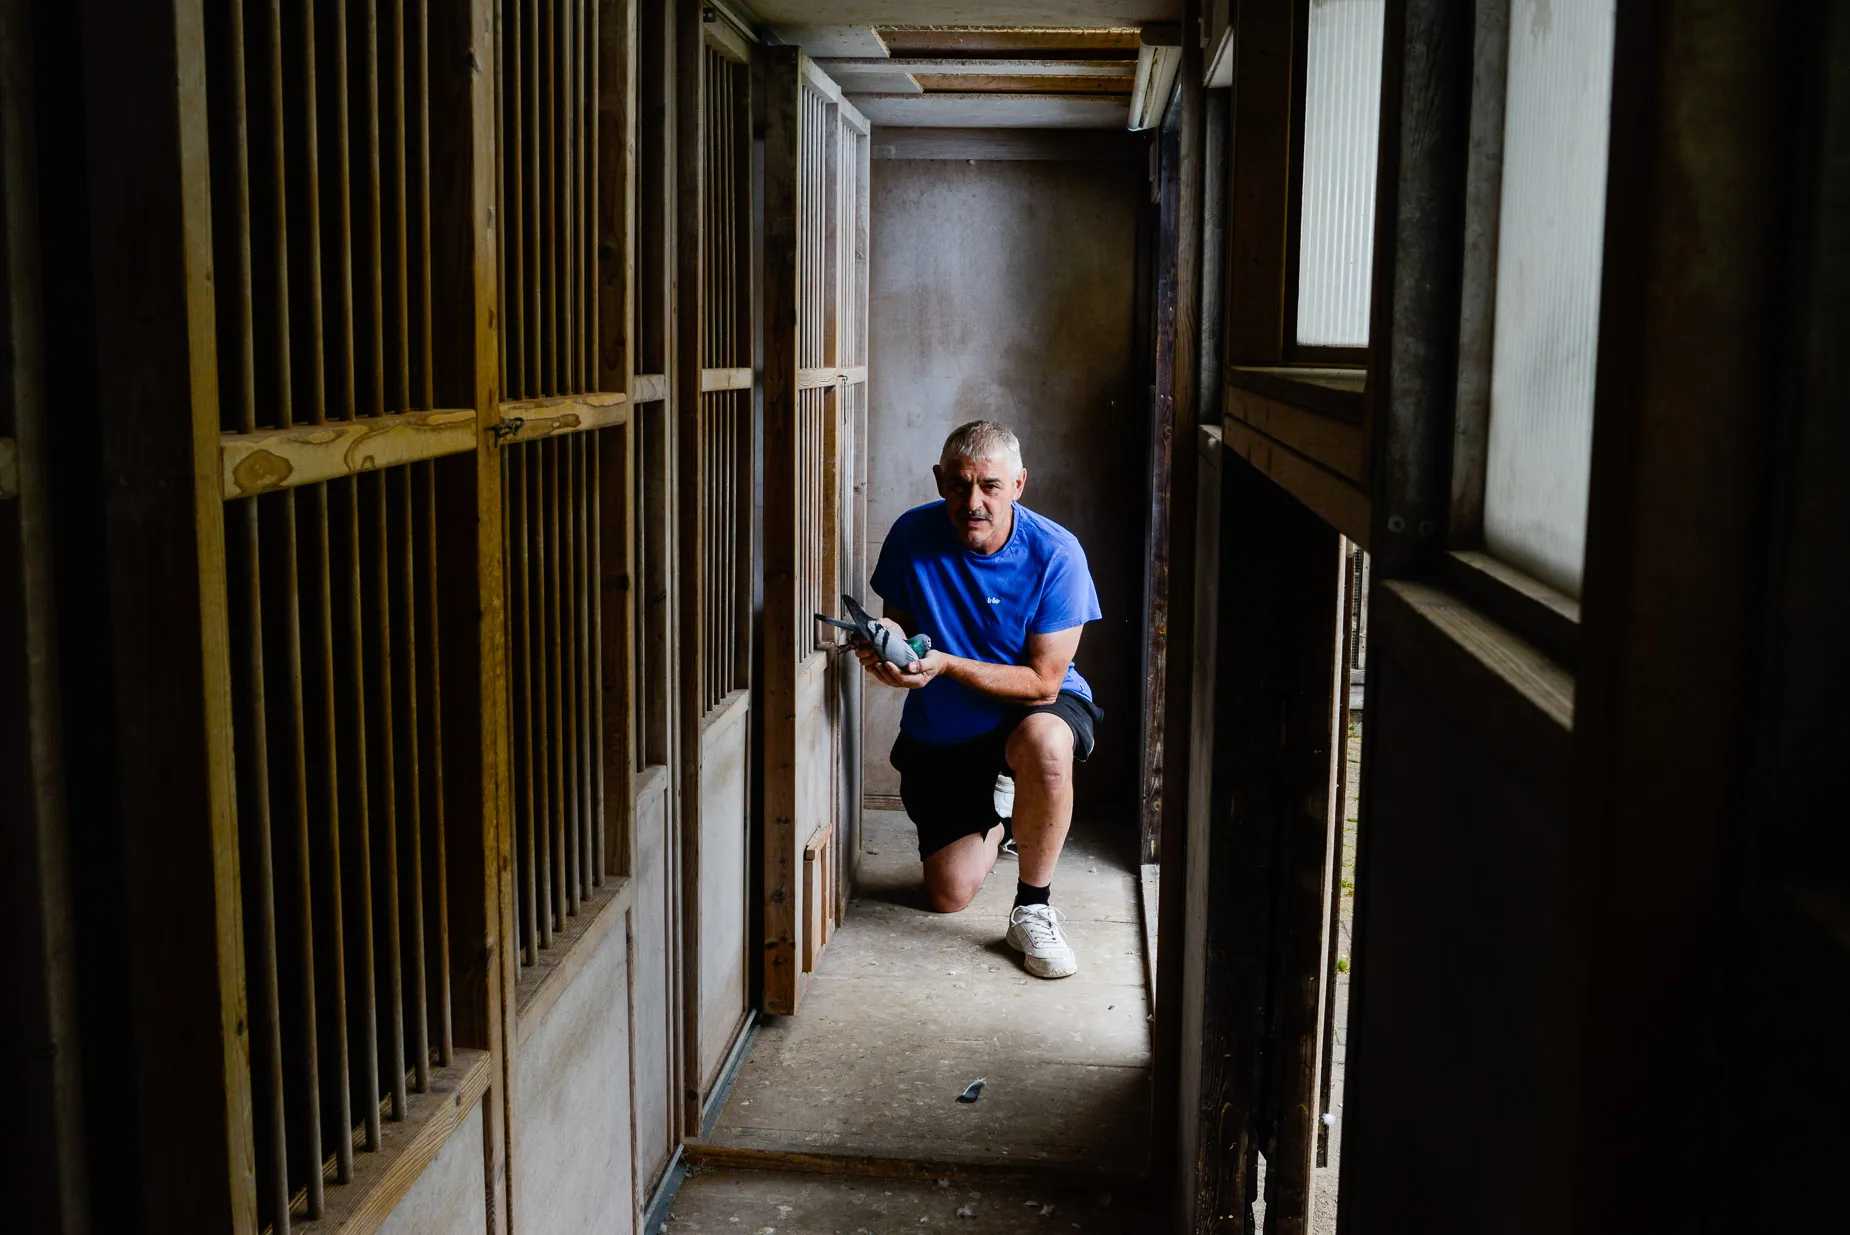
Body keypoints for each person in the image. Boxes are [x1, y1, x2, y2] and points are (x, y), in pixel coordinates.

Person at [859, 420, 1103, 979]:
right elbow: (907, 630)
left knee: (1043, 742)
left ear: (1018, 484)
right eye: (960, 485)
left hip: (1033, 708)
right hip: (946, 726)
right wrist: (890, 657)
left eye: (989, 486)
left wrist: (944, 663)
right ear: (940, 480)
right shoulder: (911, 534)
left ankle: (1033, 907)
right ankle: (1002, 811)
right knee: (947, 894)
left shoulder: (1058, 553)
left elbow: (1044, 681)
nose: (973, 502)